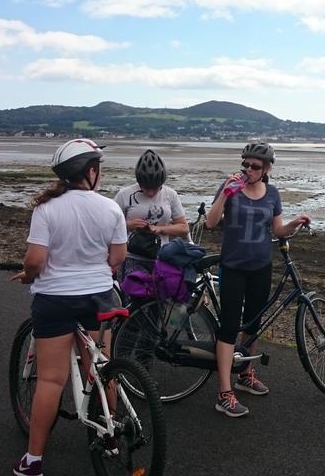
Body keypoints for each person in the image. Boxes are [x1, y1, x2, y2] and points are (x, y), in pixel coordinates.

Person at [10, 138, 128, 476]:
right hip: (99, 297)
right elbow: (118, 258)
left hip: (55, 301)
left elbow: (35, 260)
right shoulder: (110, 209)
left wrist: (28, 276)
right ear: (91, 172)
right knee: (102, 368)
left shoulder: (46, 209)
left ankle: (33, 461)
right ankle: (110, 438)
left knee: (50, 379)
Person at [204, 141, 310, 417]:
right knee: (228, 327)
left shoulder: (272, 193)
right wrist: (226, 194)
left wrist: (295, 223)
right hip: (233, 267)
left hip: (261, 267)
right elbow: (211, 223)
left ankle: (245, 375)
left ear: (266, 169)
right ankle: (224, 393)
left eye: (255, 166)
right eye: (246, 165)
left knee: (253, 323)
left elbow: (277, 230)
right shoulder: (231, 188)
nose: (248, 170)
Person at [114, 149, 188, 279]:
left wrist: (159, 228)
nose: (151, 193)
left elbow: (183, 228)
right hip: (132, 257)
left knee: (163, 298)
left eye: (156, 188)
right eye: (146, 188)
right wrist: (128, 225)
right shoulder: (124, 195)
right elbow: (109, 227)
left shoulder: (170, 194)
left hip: (162, 258)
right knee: (134, 297)